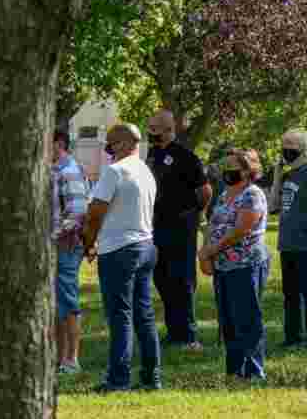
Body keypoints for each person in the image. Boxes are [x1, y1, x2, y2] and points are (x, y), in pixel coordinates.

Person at [81, 124, 162, 392]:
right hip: (145, 246)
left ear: (128, 143)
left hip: (118, 250)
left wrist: (88, 242)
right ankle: (152, 377)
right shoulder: (146, 172)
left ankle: (118, 379)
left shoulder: (114, 172)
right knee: (144, 315)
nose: (108, 150)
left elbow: (95, 212)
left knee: (120, 317)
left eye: (112, 144)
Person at [198, 150, 269, 381]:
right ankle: (234, 370)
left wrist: (212, 250)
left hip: (246, 264)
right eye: (225, 167)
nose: (227, 172)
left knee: (247, 318)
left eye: (232, 167)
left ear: (248, 171)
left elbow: (241, 229)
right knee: (228, 319)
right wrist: (205, 252)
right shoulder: (223, 195)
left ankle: (253, 371)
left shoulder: (252, 194)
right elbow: (212, 225)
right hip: (223, 266)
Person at [144, 110, 210, 351]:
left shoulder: (186, 157)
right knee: (162, 278)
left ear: (169, 129)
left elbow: (205, 192)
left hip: (181, 227)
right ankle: (174, 332)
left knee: (182, 279)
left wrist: (192, 213)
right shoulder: (151, 155)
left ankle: (188, 335)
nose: (150, 132)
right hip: (156, 226)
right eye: (149, 127)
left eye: (155, 128)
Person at [269, 129, 307, 348]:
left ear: (304, 148)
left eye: (291, 145)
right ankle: (292, 336)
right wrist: (276, 175)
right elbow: (274, 206)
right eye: (284, 145)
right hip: (287, 244)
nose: (286, 150)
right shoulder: (287, 175)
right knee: (290, 295)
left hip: (306, 244)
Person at [51, 131, 89, 374]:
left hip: (65, 246)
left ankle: (71, 359)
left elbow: (77, 213)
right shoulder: (54, 170)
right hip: (54, 245)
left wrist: (50, 238)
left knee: (67, 300)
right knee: (57, 303)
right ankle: (58, 357)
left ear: (58, 144)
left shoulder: (70, 171)